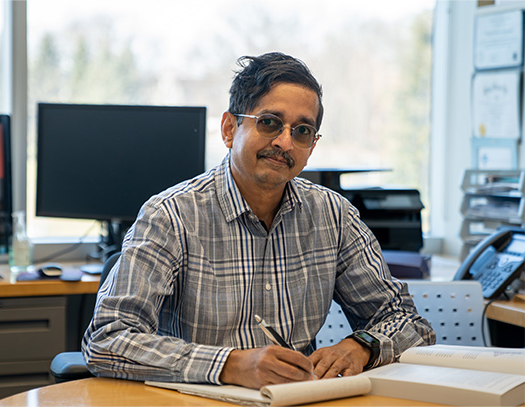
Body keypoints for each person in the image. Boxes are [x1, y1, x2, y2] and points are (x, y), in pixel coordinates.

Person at [82, 52, 435, 389]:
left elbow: (408, 321)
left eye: (302, 131)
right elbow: (108, 339)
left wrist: (362, 345)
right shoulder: (170, 216)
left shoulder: (334, 217)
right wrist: (232, 365)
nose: (285, 142)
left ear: (312, 147)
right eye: (269, 123)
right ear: (229, 129)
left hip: (296, 398)